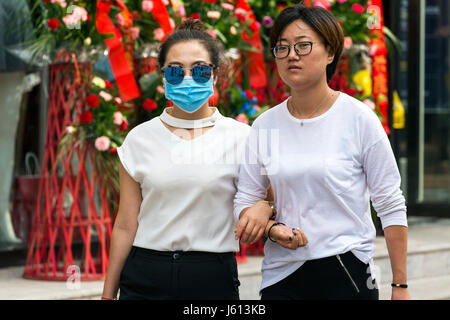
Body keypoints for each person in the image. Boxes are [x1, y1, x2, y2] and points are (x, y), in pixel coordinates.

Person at [234, 3, 410, 300]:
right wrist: (271, 228)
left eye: (303, 46)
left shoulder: (359, 119)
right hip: (282, 275)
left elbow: (390, 204)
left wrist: (400, 286)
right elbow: (246, 199)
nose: (292, 55)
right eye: (283, 47)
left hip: (347, 271)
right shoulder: (265, 125)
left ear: (330, 53)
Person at [102, 18, 262, 300]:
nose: (188, 80)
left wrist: (265, 207)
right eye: (176, 72)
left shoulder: (243, 138)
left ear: (215, 75)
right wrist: (107, 295)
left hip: (212, 278)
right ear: (163, 77)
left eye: (200, 70)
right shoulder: (139, 139)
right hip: (143, 277)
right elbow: (126, 224)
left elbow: (271, 200)